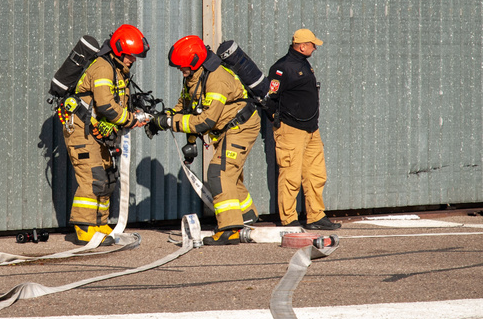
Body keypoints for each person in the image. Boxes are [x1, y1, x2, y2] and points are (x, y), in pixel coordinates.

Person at [148, 35, 261, 245]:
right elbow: (186, 107)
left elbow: (204, 121)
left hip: (241, 127)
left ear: (193, 61)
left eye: (182, 67)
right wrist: (162, 118)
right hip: (227, 129)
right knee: (230, 175)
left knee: (218, 172)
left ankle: (230, 229)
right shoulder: (194, 76)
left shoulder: (217, 79)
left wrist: (169, 122)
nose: (180, 71)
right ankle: (246, 215)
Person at [62, 24, 150, 245]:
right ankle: (84, 228)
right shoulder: (103, 68)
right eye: (131, 55)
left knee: (106, 177)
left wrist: (134, 111)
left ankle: (99, 223)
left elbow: (118, 102)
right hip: (81, 130)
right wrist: (131, 120)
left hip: (98, 133)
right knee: (92, 177)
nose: (134, 60)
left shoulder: (118, 70)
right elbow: (106, 106)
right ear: (120, 50)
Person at [265, 28, 340, 230]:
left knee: (316, 175)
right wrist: (278, 120)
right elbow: (269, 100)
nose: (315, 48)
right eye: (312, 44)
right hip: (291, 131)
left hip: (311, 130)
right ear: (302, 46)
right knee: (290, 176)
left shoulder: (304, 65)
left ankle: (315, 216)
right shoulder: (282, 68)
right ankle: (289, 220)